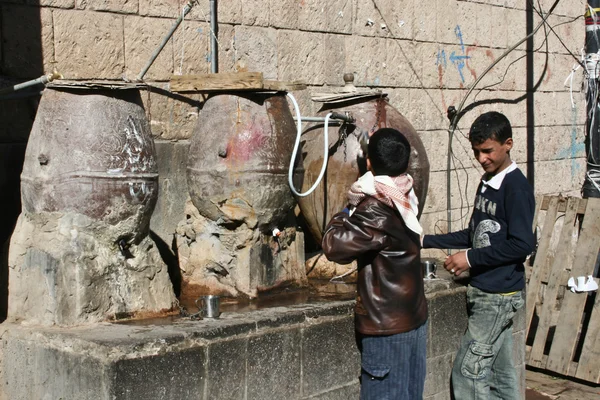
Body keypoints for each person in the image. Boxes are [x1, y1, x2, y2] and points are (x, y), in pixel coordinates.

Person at [422, 111, 535, 399]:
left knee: (468, 371)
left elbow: (522, 245)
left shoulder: (516, 188)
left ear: (507, 144)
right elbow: (474, 233)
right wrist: (423, 240)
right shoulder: (488, 181)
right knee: (500, 371)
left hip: (498, 295)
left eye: (488, 151)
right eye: (476, 152)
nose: (481, 158)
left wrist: (470, 258)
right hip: (488, 290)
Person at [321, 128, 428, 400]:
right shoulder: (405, 193)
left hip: (387, 328)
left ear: (368, 163)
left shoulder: (374, 206)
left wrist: (346, 211)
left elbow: (333, 246)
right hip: (412, 318)